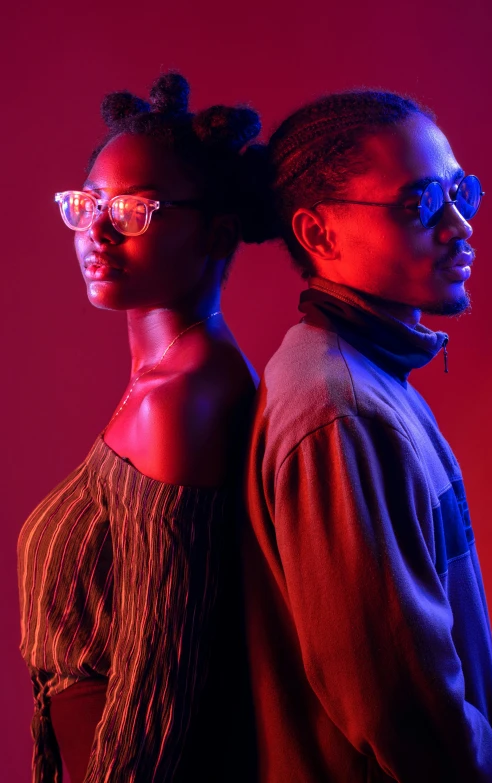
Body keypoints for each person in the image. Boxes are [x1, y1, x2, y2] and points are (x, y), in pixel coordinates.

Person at [241, 91, 492, 781]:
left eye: (462, 192)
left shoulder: (372, 378)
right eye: (422, 203)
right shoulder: (339, 411)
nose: (460, 226)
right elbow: (405, 713)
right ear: (319, 234)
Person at [17, 72, 259, 783]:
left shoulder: (181, 398)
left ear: (215, 231)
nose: (96, 228)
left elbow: (160, 690)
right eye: (88, 202)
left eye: (131, 208)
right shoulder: (164, 382)